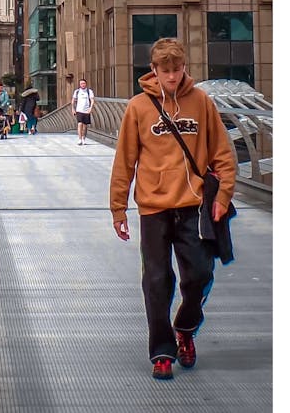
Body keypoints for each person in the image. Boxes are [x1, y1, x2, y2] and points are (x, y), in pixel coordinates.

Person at [109, 38, 236, 381]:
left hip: (193, 205)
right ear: (153, 70)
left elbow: (222, 153)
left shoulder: (201, 102)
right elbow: (125, 161)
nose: (171, 78)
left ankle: (185, 327)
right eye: (165, 71)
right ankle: (162, 351)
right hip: (152, 208)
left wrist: (223, 197)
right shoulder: (138, 107)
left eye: (177, 71)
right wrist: (118, 209)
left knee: (199, 275)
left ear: (184, 69)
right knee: (156, 281)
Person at [71, 78, 94, 145]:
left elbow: (92, 100)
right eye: (81, 83)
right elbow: (73, 101)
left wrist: (90, 108)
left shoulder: (89, 91)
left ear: (86, 84)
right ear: (79, 84)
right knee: (79, 124)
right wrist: (73, 109)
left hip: (86, 110)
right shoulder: (77, 91)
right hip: (79, 110)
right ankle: (80, 139)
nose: (82, 85)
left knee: (85, 126)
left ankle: (84, 138)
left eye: (83, 83)